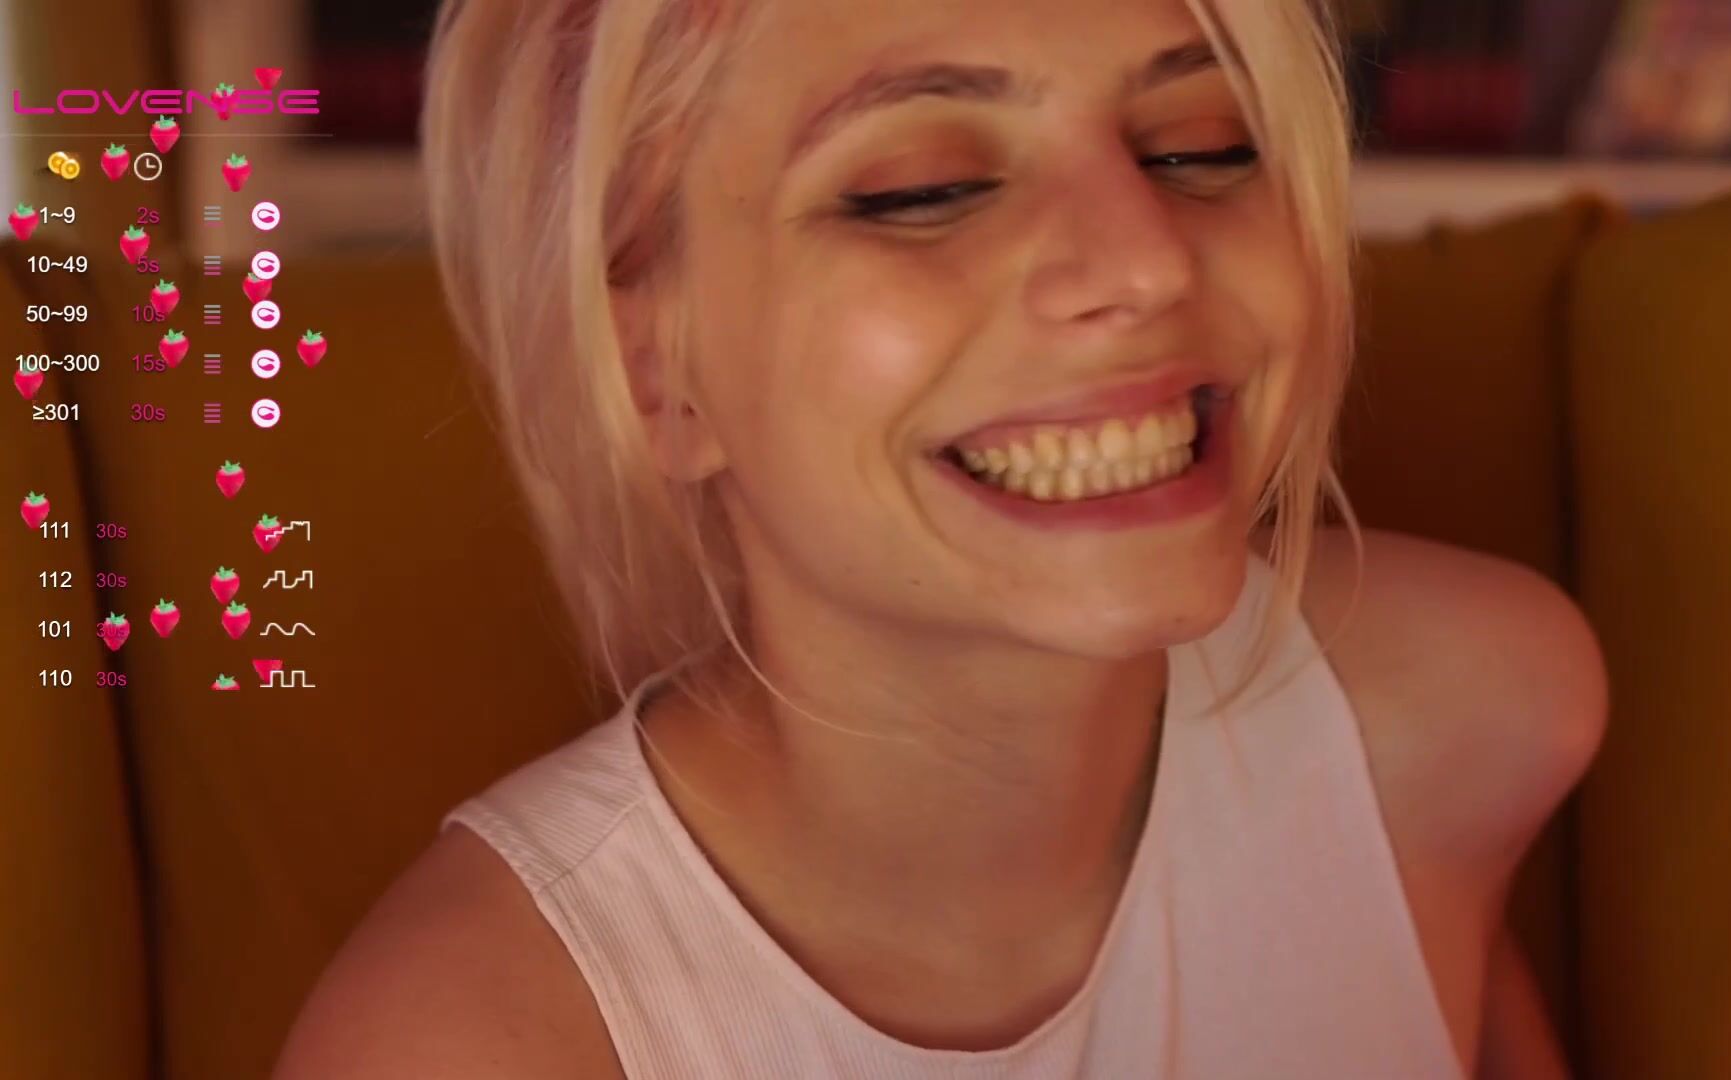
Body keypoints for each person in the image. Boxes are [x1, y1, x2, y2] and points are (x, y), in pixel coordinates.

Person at [274, 0, 1607, 1075]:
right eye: (924, 189)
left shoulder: (1463, 718)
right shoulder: (474, 1042)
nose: (1146, 262)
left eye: (1200, 145)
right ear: (654, 377)